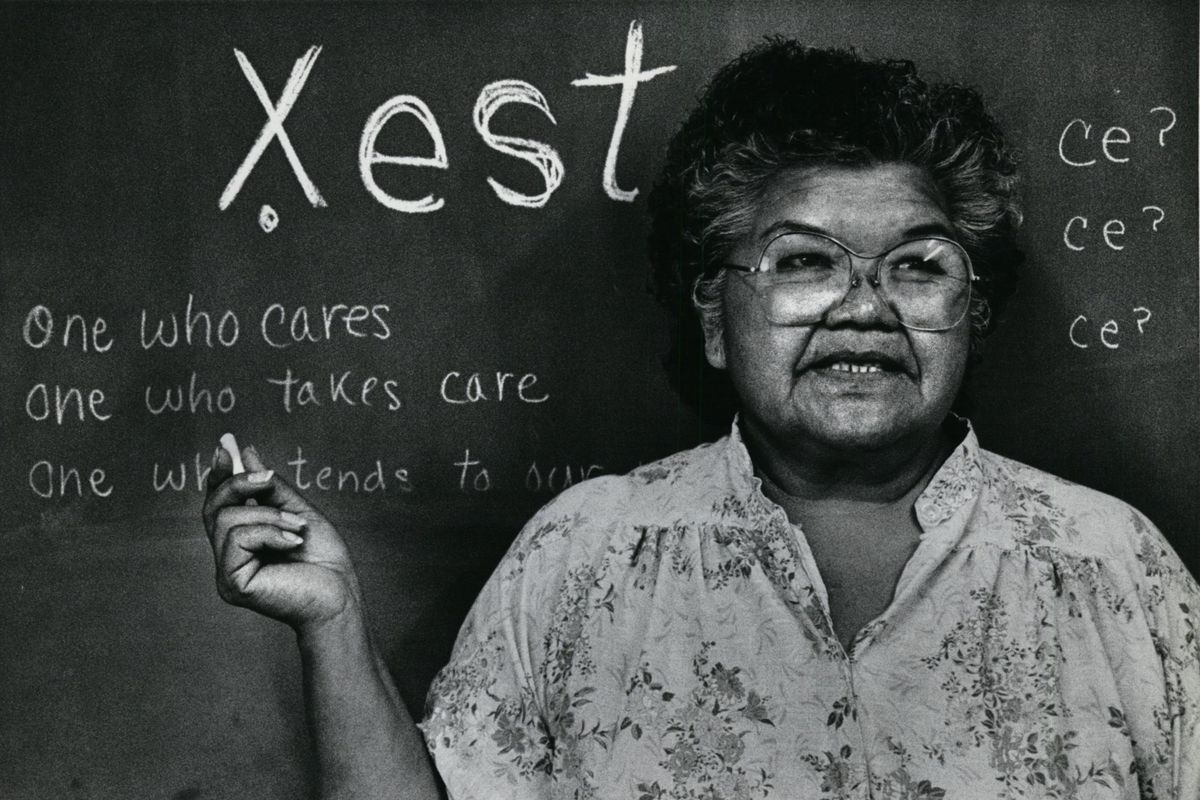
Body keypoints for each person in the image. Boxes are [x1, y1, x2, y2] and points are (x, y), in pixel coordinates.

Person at [202, 41, 1200, 800]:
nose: (864, 304)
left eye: (917, 265)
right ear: (716, 322)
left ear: (970, 314)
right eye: (805, 261)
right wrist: (332, 621)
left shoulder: (1114, 564)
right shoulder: (584, 554)